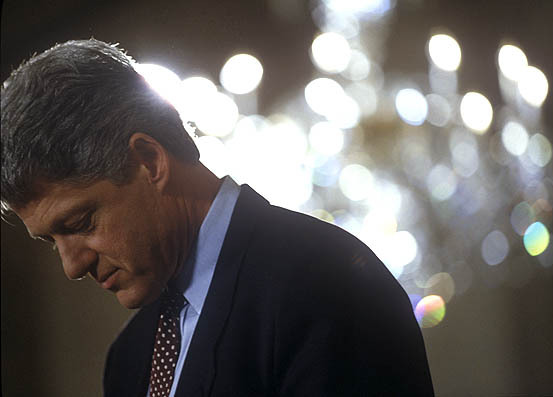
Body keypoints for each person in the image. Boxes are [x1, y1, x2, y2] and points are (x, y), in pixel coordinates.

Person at [1, 39, 434, 396]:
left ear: (150, 160)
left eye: (79, 224)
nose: (72, 266)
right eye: (50, 240)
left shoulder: (326, 285)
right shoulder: (129, 357)